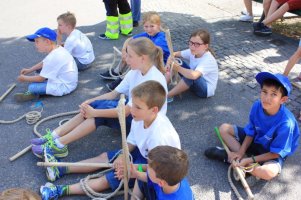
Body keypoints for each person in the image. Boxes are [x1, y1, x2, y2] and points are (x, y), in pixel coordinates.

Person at [39, 81, 181, 199]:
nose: (132, 110)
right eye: (132, 105)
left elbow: (154, 172)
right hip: (144, 153)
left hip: (157, 166)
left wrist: (131, 169)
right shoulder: (140, 117)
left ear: (154, 110)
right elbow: (132, 138)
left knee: (107, 179)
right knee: (104, 158)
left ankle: (60, 190)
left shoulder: (159, 138)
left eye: (138, 107)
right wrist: (122, 155)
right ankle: (60, 169)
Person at [30, 37, 168, 159]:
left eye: (130, 56)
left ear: (142, 58)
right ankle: (54, 136)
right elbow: (114, 93)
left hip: (143, 120)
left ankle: (59, 145)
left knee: (98, 115)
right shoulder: (136, 71)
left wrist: (95, 112)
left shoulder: (152, 80)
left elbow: (126, 112)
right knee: (95, 106)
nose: (125, 59)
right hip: (135, 110)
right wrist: (91, 101)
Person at [205, 72, 300, 180]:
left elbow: (275, 154)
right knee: (224, 129)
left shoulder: (286, 124)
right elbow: (251, 132)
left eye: (273, 94)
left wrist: (250, 160)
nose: (266, 98)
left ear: (283, 99)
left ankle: (233, 159)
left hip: (271, 151)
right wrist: (241, 153)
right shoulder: (257, 105)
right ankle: (242, 161)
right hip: (256, 140)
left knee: (268, 173)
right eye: (264, 92)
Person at [100, 11, 170, 91]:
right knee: (130, 50)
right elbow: (129, 39)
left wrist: (133, 57)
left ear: (158, 25)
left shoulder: (160, 39)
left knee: (135, 57)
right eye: (146, 26)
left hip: (161, 63)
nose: (148, 29)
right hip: (150, 59)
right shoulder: (147, 34)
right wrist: (124, 51)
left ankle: (123, 80)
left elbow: (154, 55)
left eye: (152, 26)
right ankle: (118, 72)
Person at [14, 27, 78, 102]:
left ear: (47, 41)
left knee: (32, 87)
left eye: (37, 41)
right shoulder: (58, 49)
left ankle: (32, 93)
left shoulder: (53, 57)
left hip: (64, 87)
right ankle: (37, 91)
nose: (35, 45)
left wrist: (25, 78)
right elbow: (43, 63)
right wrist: (29, 70)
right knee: (38, 71)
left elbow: (40, 79)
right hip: (69, 81)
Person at [167, 29, 218, 102]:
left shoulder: (208, 59)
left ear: (206, 46)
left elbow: (193, 75)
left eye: (197, 44)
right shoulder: (193, 51)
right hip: (193, 83)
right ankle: (161, 87)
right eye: (191, 43)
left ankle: (167, 96)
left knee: (191, 75)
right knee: (177, 61)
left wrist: (177, 68)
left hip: (204, 91)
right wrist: (169, 62)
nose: (192, 47)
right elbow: (174, 54)